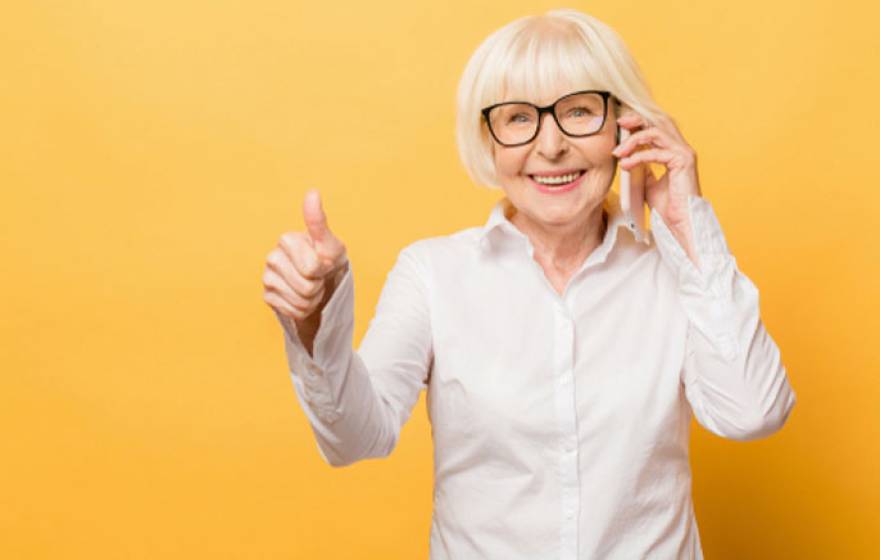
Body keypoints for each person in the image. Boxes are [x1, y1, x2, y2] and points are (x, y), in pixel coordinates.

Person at [261, 8, 796, 559]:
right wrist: (313, 322)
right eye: (519, 118)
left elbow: (753, 412)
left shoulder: (673, 274)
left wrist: (689, 227)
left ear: (626, 125)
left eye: (580, 111)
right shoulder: (433, 273)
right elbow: (355, 438)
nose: (551, 146)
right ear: (487, 139)